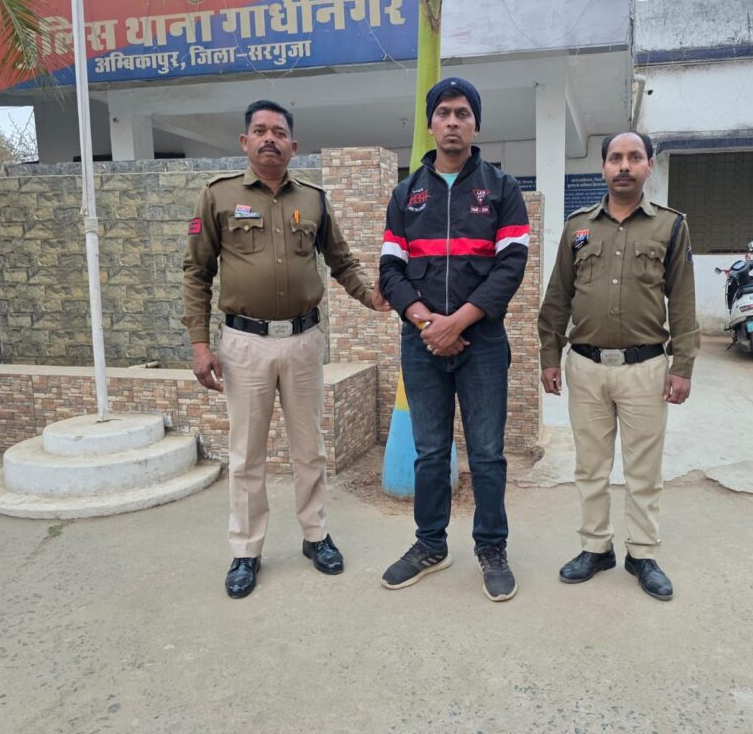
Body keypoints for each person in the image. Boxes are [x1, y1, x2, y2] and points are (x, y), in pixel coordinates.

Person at [182, 99, 390, 599]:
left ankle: (316, 535)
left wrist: (371, 296)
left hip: (302, 342)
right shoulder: (218, 195)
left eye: (279, 132)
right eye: (260, 131)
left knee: (309, 449)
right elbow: (196, 272)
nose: (269, 139)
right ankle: (246, 550)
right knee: (246, 454)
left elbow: (341, 262)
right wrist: (200, 345)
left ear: (293, 146)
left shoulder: (314, 200)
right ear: (245, 141)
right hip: (244, 344)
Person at [378, 77, 530, 602]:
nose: (452, 122)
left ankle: (491, 547)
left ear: (475, 125)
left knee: (487, 454)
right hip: (422, 345)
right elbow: (390, 270)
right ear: (430, 124)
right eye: (443, 112)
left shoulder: (502, 190)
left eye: (463, 113)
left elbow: (511, 267)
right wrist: (427, 323)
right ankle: (430, 545)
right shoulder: (406, 194)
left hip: (481, 343)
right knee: (429, 453)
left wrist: (457, 322)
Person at [538, 131, 699, 601]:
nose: (623, 166)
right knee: (590, 466)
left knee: (644, 469)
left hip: (645, 367)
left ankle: (642, 554)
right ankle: (595, 548)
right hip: (585, 367)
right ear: (603, 168)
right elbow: (558, 296)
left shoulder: (670, 226)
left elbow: (683, 300)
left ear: (649, 165)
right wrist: (550, 356)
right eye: (615, 158)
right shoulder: (577, 227)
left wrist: (683, 364)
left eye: (634, 157)